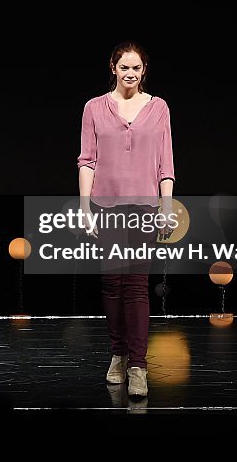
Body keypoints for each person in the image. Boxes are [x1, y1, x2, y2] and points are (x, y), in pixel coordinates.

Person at [76, 41, 175, 399]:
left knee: (136, 285)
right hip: (107, 207)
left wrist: (167, 206)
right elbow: (87, 160)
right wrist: (85, 207)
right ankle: (117, 355)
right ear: (113, 68)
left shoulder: (159, 108)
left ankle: (138, 366)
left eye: (136, 68)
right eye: (124, 68)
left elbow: (166, 163)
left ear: (143, 71)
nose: (130, 74)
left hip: (145, 208)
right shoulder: (94, 108)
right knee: (112, 284)